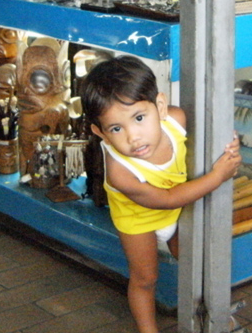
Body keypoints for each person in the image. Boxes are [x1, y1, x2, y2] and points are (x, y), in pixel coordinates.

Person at [80, 55, 241, 333]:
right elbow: (166, 200)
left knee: (196, 264)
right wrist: (217, 175)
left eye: (139, 118)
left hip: (180, 208)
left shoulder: (177, 120)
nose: (133, 137)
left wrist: (230, 141)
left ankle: (216, 317)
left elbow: (216, 132)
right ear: (100, 133)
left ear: (161, 107)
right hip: (139, 222)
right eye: (116, 128)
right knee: (145, 279)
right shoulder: (121, 173)